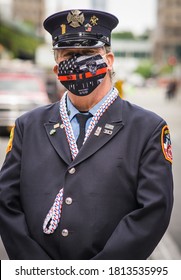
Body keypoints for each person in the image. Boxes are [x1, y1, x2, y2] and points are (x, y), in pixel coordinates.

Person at [0, 9, 173, 260]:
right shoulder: (28, 126)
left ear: (109, 60)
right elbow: (6, 203)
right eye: (70, 55)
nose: (79, 61)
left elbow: (153, 212)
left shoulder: (147, 128)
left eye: (89, 53)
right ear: (57, 66)